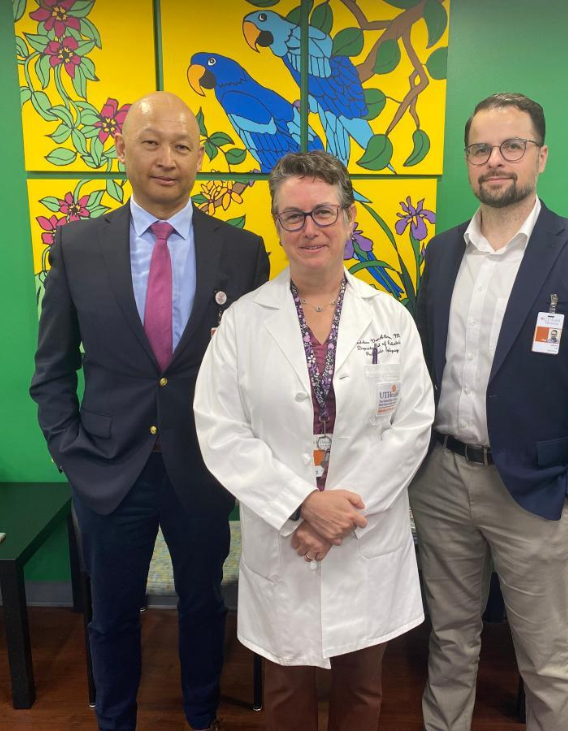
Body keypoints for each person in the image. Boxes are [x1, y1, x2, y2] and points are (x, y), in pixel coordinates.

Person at [30, 91, 269, 731]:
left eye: (183, 146)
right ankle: (115, 720)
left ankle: (201, 717)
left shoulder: (242, 252)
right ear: (124, 150)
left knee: (201, 606)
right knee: (110, 614)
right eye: (152, 142)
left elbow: (255, 370)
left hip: (202, 468)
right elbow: (52, 370)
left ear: (199, 159)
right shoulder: (78, 245)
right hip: (107, 470)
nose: (168, 159)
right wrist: (70, 455)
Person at [412, 92, 568, 730]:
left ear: (541, 155)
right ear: (468, 161)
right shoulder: (442, 252)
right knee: (450, 640)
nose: (495, 161)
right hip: (441, 481)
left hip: (538, 492)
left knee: (543, 655)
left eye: (512, 146)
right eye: (481, 149)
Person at [194, 150, 434, 731]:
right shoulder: (244, 323)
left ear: (350, 219)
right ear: (277, 226)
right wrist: (305, 505)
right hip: (286, 531)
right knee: (284, 690)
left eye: (324, 212)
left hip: (362, 527)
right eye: (293, 216)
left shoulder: (391, 319)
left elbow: (413, 424)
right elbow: (221, 429)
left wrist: (340, 514)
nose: (310, 229)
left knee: (361, 690)